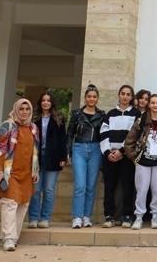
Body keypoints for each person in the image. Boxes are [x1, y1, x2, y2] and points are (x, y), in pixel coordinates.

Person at [0, 99, 39, 252]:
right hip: (8, 172)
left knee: (23, 205)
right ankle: (8, 238)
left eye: (27, 109)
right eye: (21, 108)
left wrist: (35, 170)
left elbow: (36, 151)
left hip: (26, 174)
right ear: (16, 109)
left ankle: (8, 237)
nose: (24, 112)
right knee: (9, 203)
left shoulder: (33, 128)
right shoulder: (8, 126)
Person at [123, 93, 157, 230]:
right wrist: (134, 158)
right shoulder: (141, 120)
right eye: (153, 103)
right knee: (142, 190)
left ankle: (155, 216)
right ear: (149, 104)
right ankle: (139, 217)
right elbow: (129, 141)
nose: (155, 105)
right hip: (143, 161)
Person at [99, 84, 140, 228]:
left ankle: (127, 216)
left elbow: (134, 135)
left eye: (128, 94)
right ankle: (109, 216)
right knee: (109, 186)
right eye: (123, 93)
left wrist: (122, 151)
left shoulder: (136, 114)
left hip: (126, 157)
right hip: (110, 156)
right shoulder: (110, 114)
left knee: (127, 186)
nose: (125, 96)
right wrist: (108, 152)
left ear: (131, 97)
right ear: (119, 95)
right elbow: (103, 134)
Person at [67, 85, 105, 229]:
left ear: (97, 98)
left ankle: (86, 216)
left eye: (94, 96)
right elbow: (70, 133)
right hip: (79, 148)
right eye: (89, 96)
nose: (91, 99)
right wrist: (68, 152)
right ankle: (77, 217)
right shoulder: (77, 114)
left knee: (90, 186)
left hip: (96, 149)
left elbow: (104, 135)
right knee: (80, 186)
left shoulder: (101, 115)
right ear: (85, 98)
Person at [28, 92, 67, 229]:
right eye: (43, 100)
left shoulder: (59, 118)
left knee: (49, 189)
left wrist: (63, 156)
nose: (46, 102)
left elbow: (63, 139)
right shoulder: (33, 118)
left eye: (48, 100)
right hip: (35, 157)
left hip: (53, 157)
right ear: (40, 102)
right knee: (36, 190)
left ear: (52, 103)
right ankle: (33, 218)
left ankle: (45, 218)